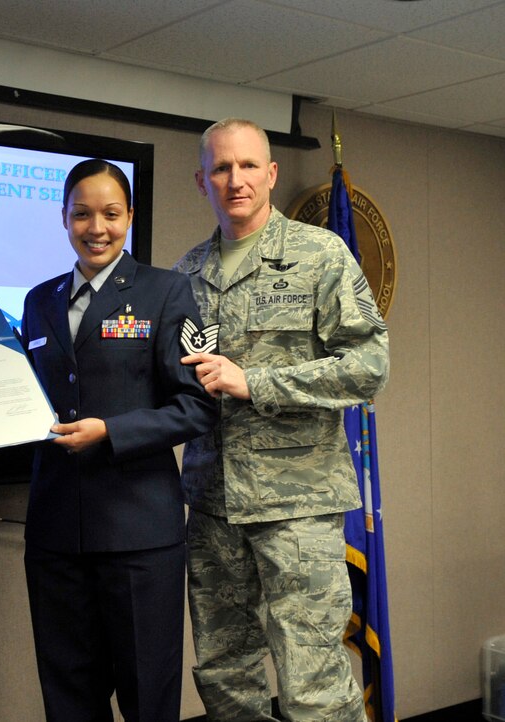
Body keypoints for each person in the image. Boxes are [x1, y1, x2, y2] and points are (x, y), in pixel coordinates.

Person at [175, 118, 390, 722]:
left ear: (270, 174)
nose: (235, 179)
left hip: (298, 505)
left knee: (313, 681)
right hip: (213, 504)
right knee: (222, 672)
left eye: (248, 166)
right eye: (221, 168)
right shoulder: (184, 273)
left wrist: (258, 382)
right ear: (202, 180)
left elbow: (371, 365)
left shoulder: (320, 255)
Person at [20, 158, 218, 721]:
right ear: (63, 218)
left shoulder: (166, 292)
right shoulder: (40, 301)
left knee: (147, 697)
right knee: (68, 699)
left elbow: (197, 405)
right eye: (82, 214)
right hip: (57, 535)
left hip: (139, 538)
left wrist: (112, 432)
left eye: (110, 213)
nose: (96, 227)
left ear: (130, 216)